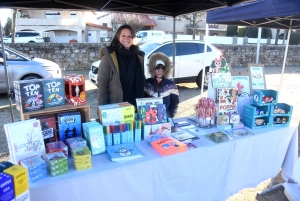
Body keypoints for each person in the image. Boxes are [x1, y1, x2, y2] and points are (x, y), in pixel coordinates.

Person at [97, 24, 145, 107]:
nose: (126, 38)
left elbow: (142, 82)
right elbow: (102, 85)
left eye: (129, 36)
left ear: (133, 38)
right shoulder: (109, 57)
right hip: (116, 107)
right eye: (123, 35)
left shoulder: (139, 57)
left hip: (135, 107)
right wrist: (103, 109)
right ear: (118, 37)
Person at [144, 52, 179, 118]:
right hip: (151, 117)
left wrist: (171, 114)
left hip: (166, 116)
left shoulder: (171, 84)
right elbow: (143, 99)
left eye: (162, 68)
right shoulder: (147, 83)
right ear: (153, 69)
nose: (160, 71)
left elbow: (175, 101)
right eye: (157, 68)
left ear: (165, 70)